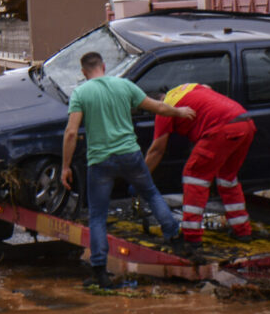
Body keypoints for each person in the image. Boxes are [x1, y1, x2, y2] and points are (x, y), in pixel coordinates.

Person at [60, 52, 195, 288]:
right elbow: (158, 107)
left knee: (98, 216)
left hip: (100, 162)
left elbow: (71, 132)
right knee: (151, 193)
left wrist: (65, 167)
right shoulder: (124, 86)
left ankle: (100, 271)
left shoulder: (81, 93)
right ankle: (174, 237)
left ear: (84, 72)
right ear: (104, 66)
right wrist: (180, 112)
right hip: (129, 154)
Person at [144, 83, 257, 247]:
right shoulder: (186, 88)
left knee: (194, 177)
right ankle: (242, 231)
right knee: (227, 178)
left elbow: (157, 151)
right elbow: (207, 87)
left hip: (222, 129)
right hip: (245, 122)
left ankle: (191, 237)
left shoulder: (164, 109)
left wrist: (141, 177)